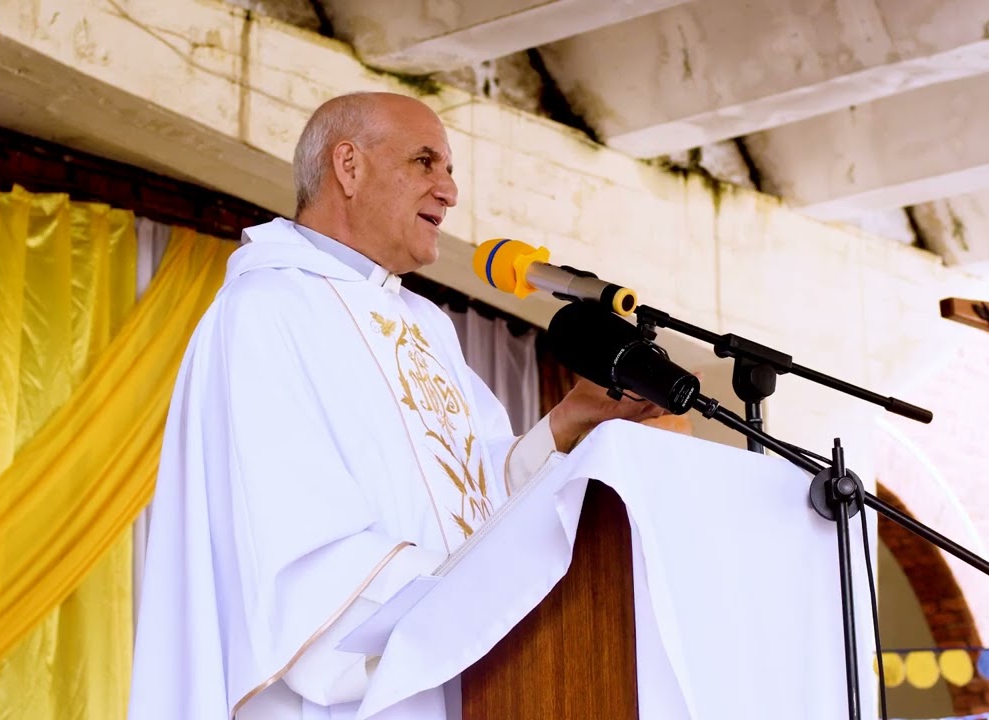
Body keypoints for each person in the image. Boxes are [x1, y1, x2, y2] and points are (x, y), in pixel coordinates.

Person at [128, 91, 666, 720]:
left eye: (450, 170)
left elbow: (471, 498)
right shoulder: (266, 310)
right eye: (425, 162)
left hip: (466, 680)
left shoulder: (426, 325)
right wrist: (473, 590)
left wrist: (572, 419)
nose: (449, 191)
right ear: (348, 167)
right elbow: (292, 541)